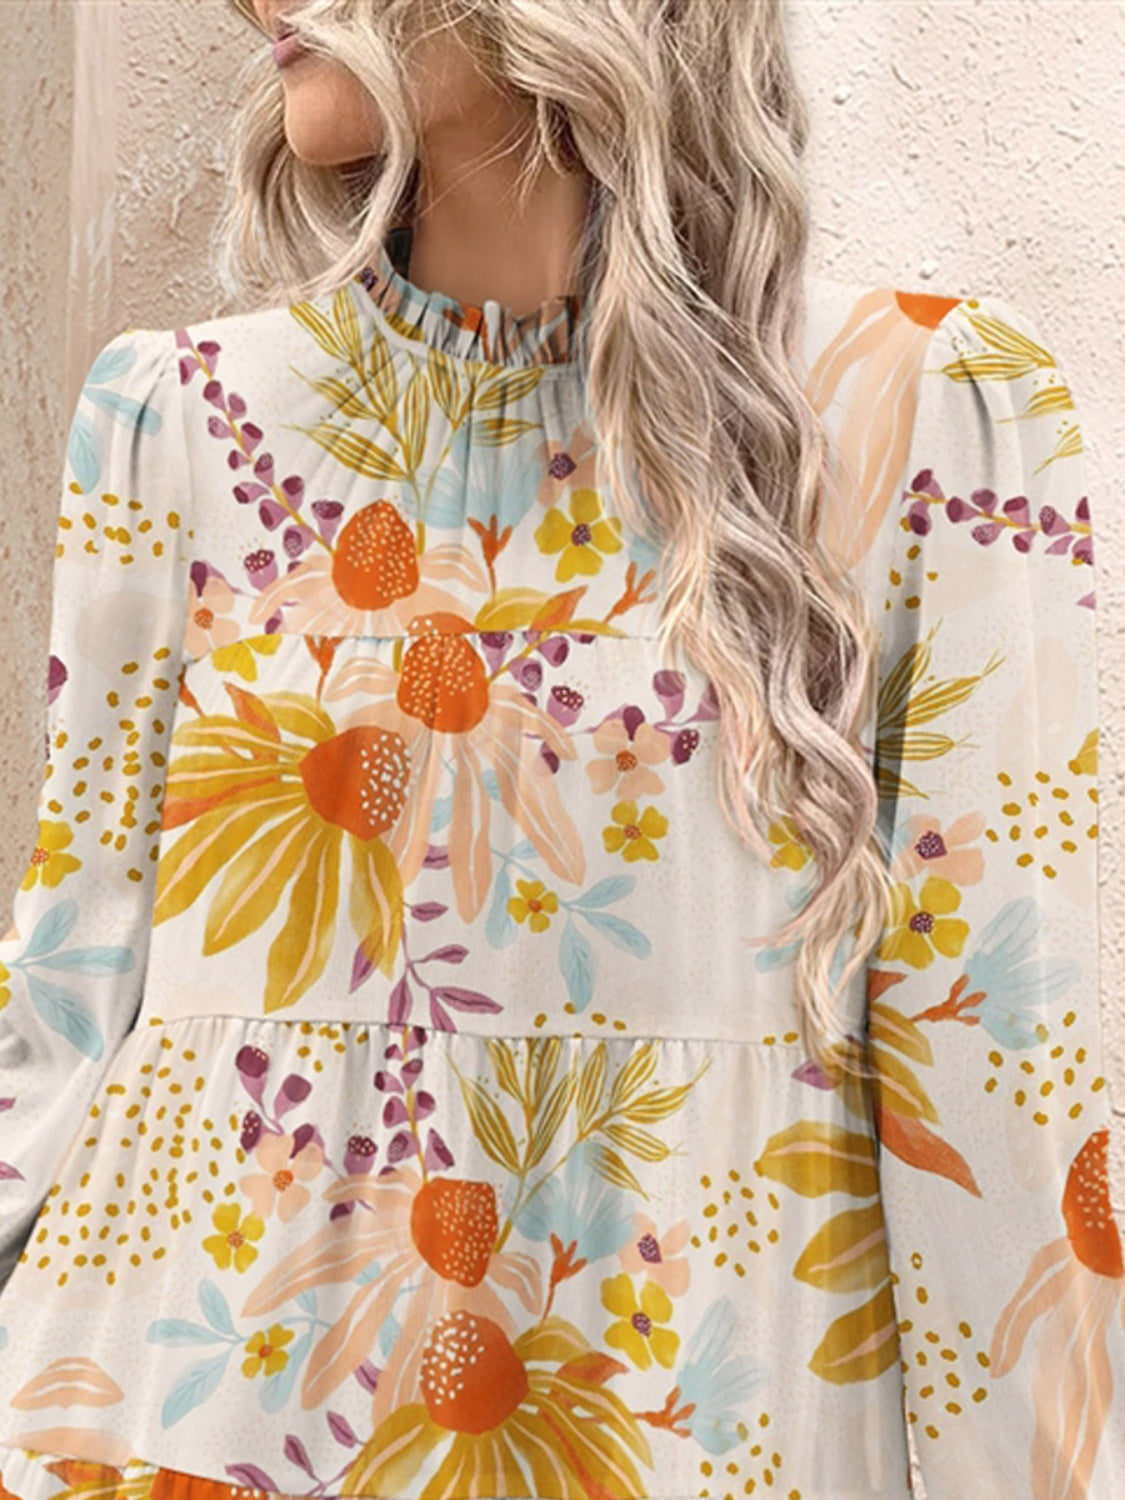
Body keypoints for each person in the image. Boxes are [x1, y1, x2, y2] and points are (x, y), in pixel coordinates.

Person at [0, 2, 1119, 1497]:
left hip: (708, 1419)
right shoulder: (177, 419)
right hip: (180, 1425)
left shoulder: (919, 412)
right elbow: (69, 991)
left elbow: (1000, 1067)